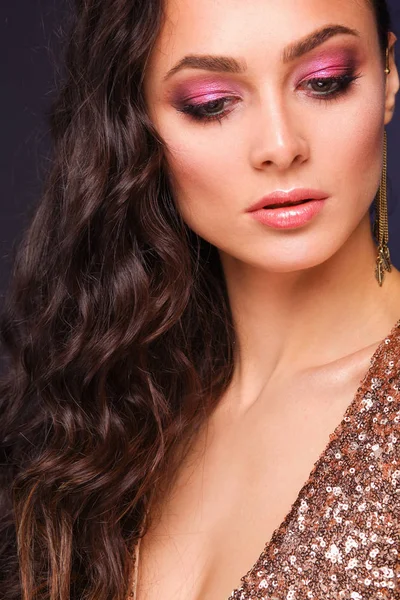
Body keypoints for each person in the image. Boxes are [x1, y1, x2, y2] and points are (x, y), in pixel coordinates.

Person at [0, 0, 399, 599]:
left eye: (324, 82)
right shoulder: (127, 406)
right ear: (137, 123)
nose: (280, 144)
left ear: (388, 80)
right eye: (211, 104)